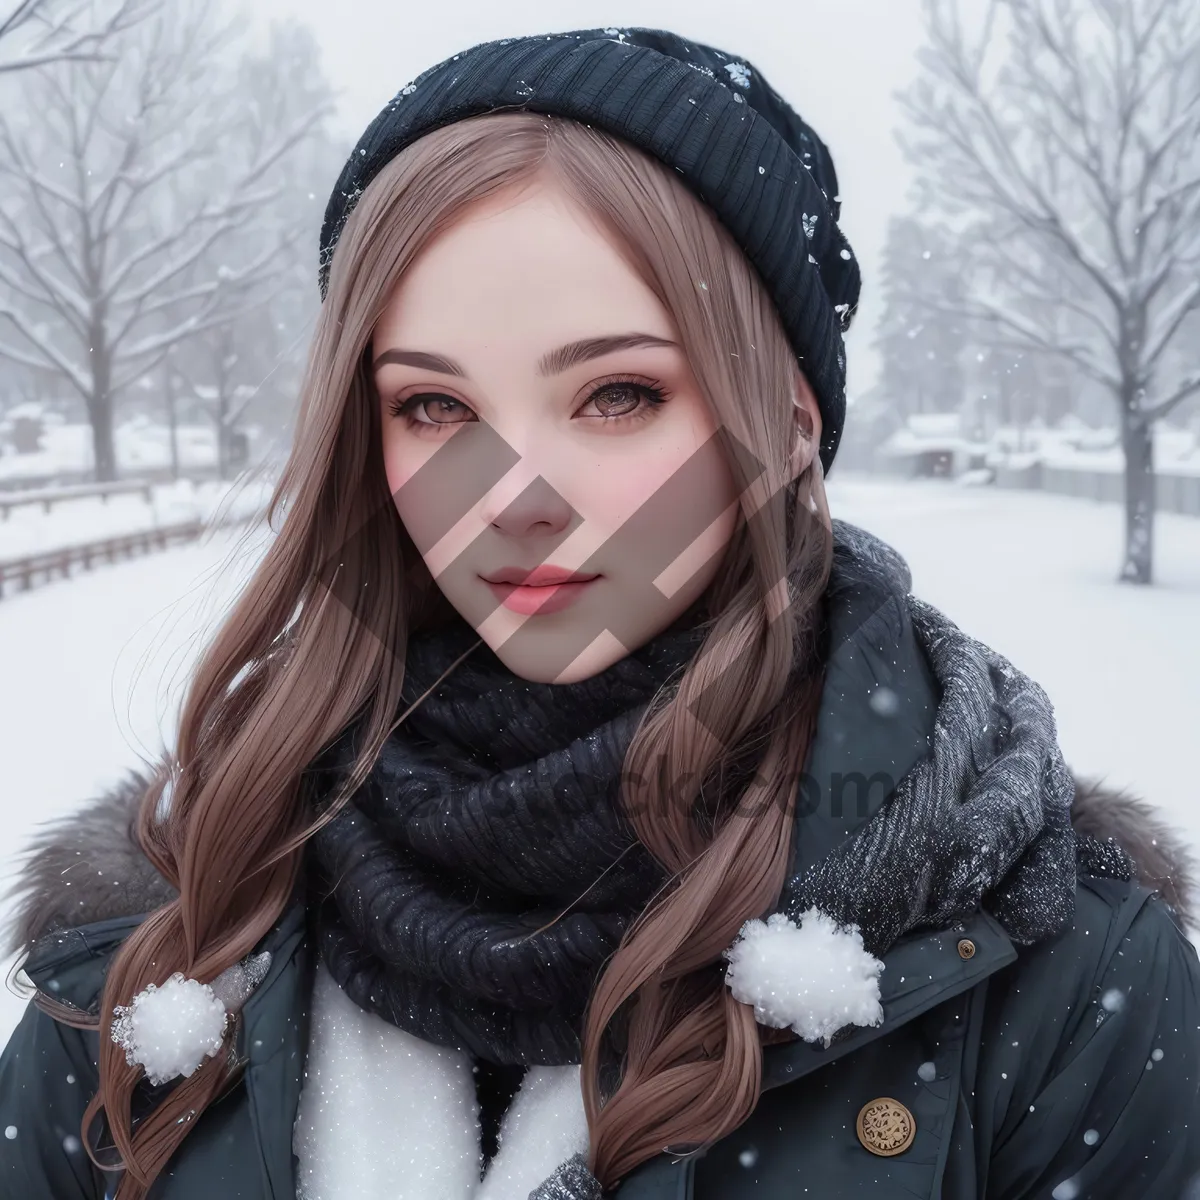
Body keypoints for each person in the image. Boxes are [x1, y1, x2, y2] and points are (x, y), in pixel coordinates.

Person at [1, 27, 1198, 1200]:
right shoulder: (176, 921)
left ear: (786, 425)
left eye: (617, 394)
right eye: (433, 406)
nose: (514, 498)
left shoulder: (1045, 961)